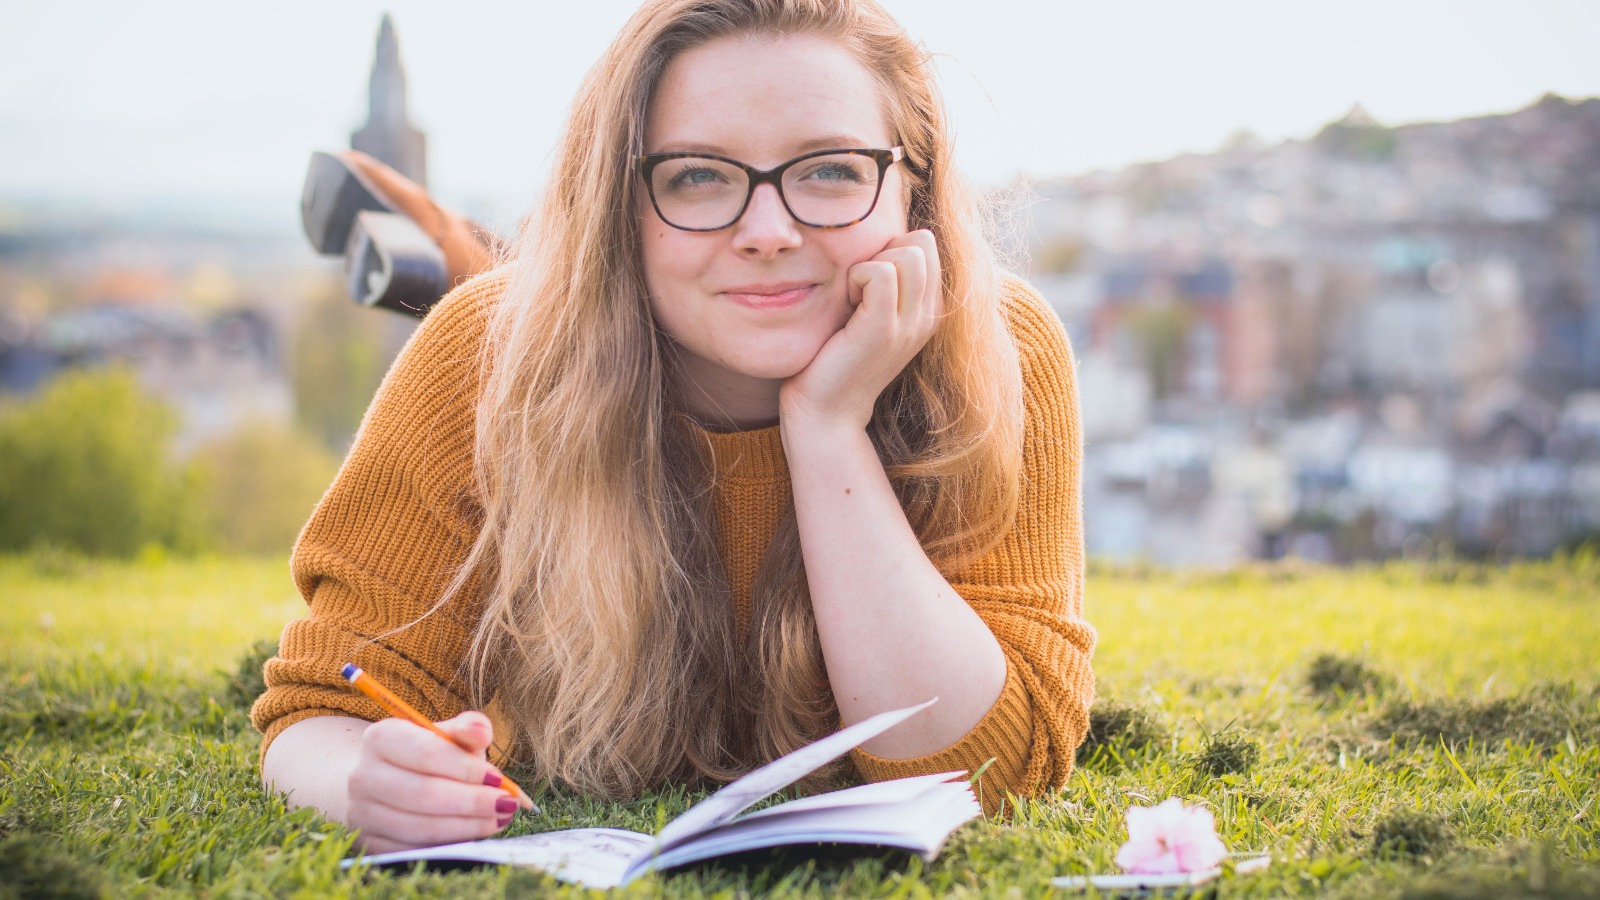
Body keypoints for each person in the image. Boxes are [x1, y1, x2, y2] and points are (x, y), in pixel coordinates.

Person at [253, 0, 1096, 855]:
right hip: (568, 323)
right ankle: (465, 252)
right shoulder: (478, 354)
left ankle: (447, 243)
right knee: (529, 319)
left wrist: (830, 427)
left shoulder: (998, 349)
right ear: (619, 200)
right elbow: (324, 709)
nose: (769, 232)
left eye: (831, 171)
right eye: (697, 176)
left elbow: (994, 772)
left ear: (913, 188)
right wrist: (365, 782)